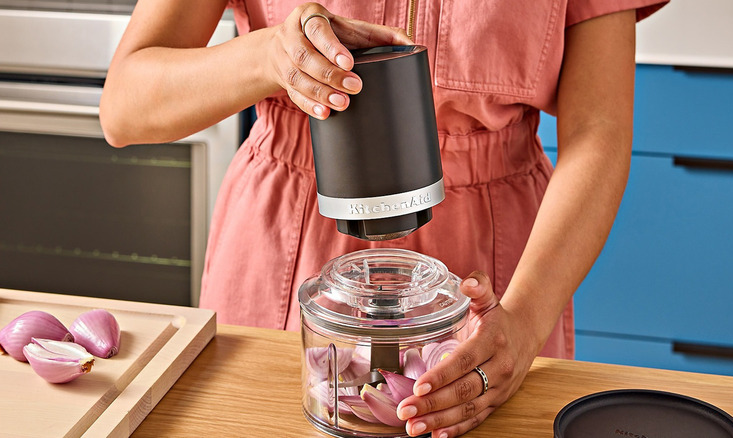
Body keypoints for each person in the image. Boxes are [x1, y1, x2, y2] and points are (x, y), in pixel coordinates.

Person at [100, 1, 667, 436]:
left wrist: (524, 320)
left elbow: (601, 131)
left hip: (502, 276)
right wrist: (270, 55)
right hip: (283, 242)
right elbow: (126, 106)